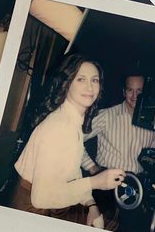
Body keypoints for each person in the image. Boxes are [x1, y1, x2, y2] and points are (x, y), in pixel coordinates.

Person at [11, 54, 125, 229]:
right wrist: (96, 182)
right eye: (81, 79)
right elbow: (40, 198)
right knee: (113, 222)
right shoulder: (60, 126)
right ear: (67, 83)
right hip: (32, 210)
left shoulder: (72, 120)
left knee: (110, 215)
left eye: (94, 80)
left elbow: (73, 174)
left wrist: (91, 205)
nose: (89, 86)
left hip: (48, 203)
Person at [82, 73, 155, 231]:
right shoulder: (107, 115)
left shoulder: (153, 122)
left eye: (139, 91)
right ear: (124, 92)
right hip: (106, 190)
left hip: (137, 190)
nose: (134, 96)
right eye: (130, 90)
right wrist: (91, 167)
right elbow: (75, 139)